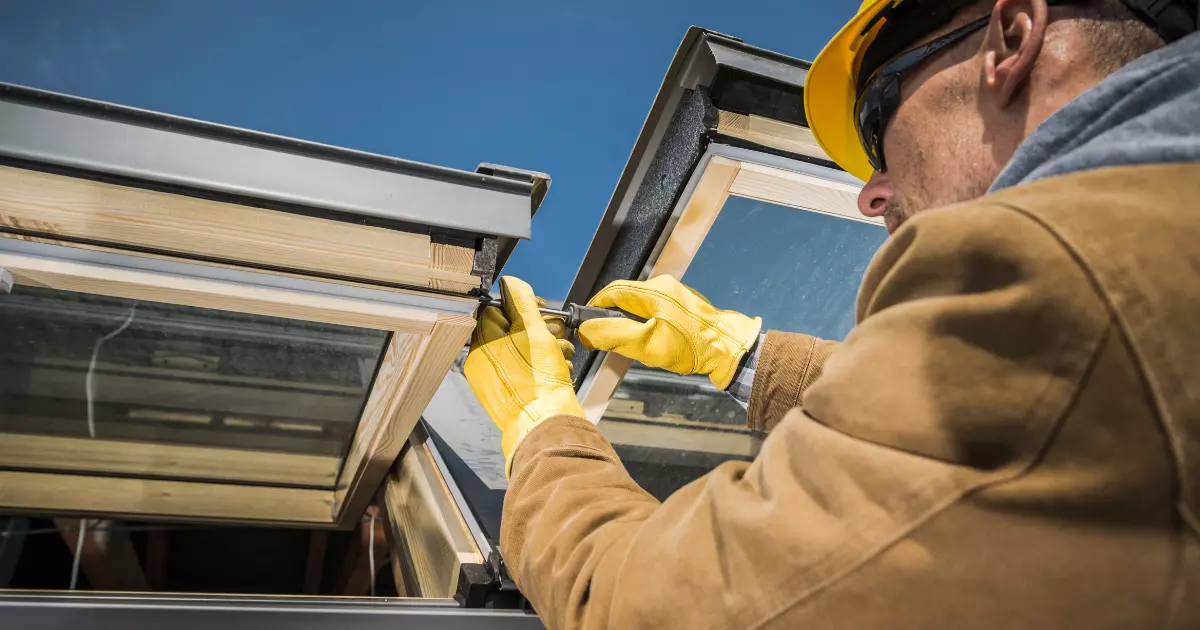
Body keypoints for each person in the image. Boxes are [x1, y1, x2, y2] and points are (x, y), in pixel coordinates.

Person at [464, 0, 1200, 627]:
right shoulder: (1152, 238)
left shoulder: (1053, 266)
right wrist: (739, 354)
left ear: (1011, 37)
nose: (870, 194)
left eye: (877, 121)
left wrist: (543, 431)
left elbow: (664, 606)